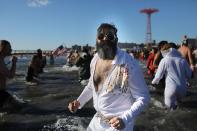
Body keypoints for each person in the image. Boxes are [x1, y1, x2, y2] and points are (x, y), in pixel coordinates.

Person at [68, 23, 150, 131]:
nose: (104, 39)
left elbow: (143, 97)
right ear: (96, 40)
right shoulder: (95, 59)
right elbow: (91, 86)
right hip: (98, 119)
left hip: (119, 124)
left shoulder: (128, 64)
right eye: (100, 36)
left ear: (116, 40)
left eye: (110, 36)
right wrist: (79, 102)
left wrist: (125, 119)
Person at [152, 43, 192, 110]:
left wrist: (153, 82)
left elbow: (158, 76)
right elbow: (189, 75)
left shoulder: (165, 60)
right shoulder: (182, 60)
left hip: (171, 89)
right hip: (183, 89)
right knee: (180, 107)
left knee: (168, 111)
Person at [0, 40, 17, 107]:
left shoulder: (2, 60)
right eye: (9, 48)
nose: (11, 49)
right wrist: (14, 63)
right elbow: (11, 76)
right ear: (3, 48)